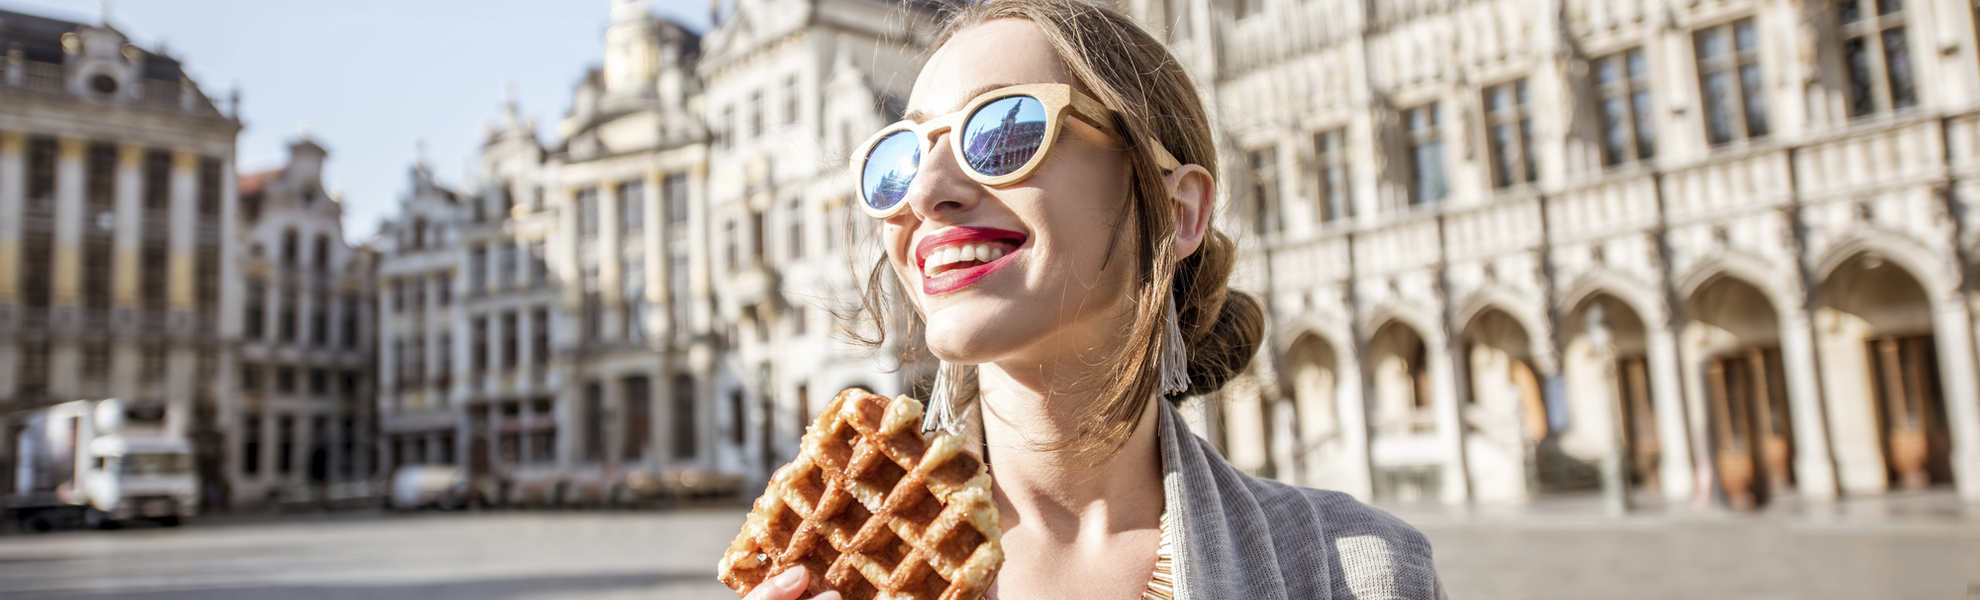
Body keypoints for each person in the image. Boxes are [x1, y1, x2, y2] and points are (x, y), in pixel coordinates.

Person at [746, 0, 1443, 598]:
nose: (925, 193)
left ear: (1175, 210)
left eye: (1001, 132)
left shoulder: (1357, 570)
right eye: (896, 159)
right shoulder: (827, 570)